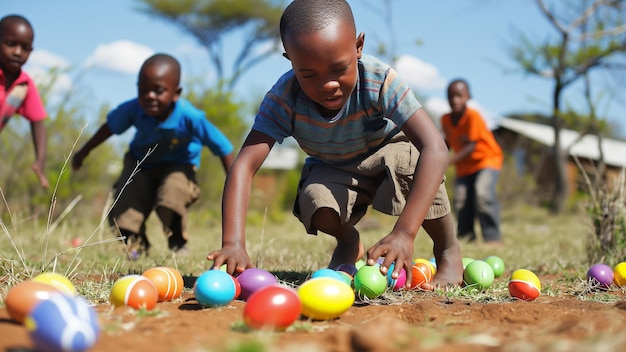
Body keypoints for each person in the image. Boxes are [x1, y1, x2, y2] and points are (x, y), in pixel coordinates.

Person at [207, 0, 463, 289]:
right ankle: (348, 240)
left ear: (358, 46)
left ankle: (447, 250)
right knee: (316, 200)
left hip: (388, 151)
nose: (328, 84)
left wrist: (404, 233)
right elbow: (243, 166)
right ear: (290, 59)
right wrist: (233, 242)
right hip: (333, 166)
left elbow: (435, 147)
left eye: (339, 68)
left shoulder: (379, 81)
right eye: (309, 74)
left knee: (410, 163)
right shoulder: (284, 99)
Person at [72, 53, 234, 258]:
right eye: (143, 89)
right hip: (140, 162)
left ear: (176, 93)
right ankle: (136, 245)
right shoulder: (133, 109)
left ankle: (177, 241)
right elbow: (109, 128)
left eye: (158, 90)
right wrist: (83, 151)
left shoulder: (189, 116)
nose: (149, 96)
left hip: (179, 165)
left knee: (172, 195)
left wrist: (235, 185)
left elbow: (224, 147)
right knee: (124, 205)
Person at [440, 79, 503, 246]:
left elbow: (471, 146)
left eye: (460, 96)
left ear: (468, 97)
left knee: (482, 194)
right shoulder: (446, 119)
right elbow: (446, 142)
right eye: (451, 96)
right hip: (464, 167)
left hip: (486, 160)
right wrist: (437, 155)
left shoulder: (473, 116)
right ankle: (466, 236)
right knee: (460, 200)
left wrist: (449, 160)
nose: (455, 100)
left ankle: (492, 237)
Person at [0, 15, 49, 188]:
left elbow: (38, 123)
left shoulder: (24, 85)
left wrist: (40, 162)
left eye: (25, 48)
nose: (18, 52)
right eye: (11, 44)